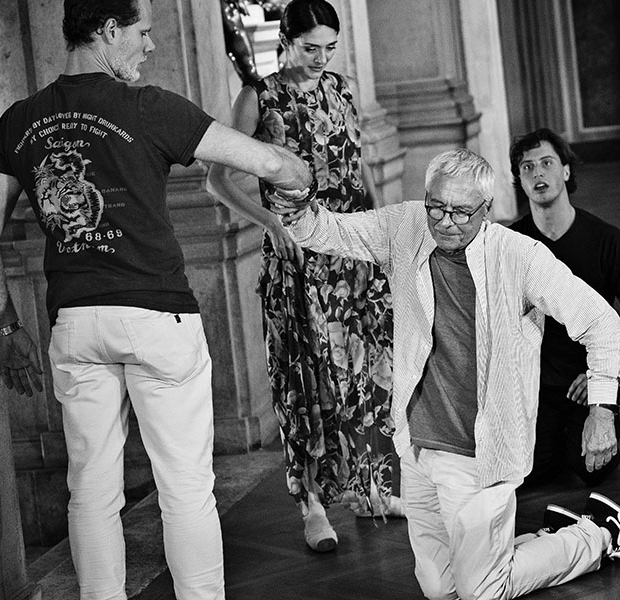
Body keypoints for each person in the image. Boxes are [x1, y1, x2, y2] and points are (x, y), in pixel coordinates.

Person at [0, 1, 313, 598]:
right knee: (185, 488)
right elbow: (269, 163)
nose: (150, 46)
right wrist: (298, 172)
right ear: (109, 31)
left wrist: (5, 327)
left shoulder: (20, 119)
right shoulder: (151, 107)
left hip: (76, 324)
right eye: (143, 32)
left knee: (90, 492)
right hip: (157, 317)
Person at [268, 148, 620, 600]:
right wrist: (293, 198)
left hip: (479, 453)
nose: (445, 222)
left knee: (482, 591)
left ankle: (599, 535)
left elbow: (603, 324)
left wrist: (602, 411)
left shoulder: (520, 256)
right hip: (417, 445)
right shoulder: (406, 226)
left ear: (486, 209)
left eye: (461, 212)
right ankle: (544, 543)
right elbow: (327, 231)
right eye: (436, 207)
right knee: (439, 590)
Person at [205, 0, 399, 554]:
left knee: (366, 371)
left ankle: (369, 487)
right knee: (305, 377)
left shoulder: (340, 89)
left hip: (353, 252)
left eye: (329, 48)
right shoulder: (258, 98)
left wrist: (381, 233)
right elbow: (217, 180)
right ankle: (312, 503)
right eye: (310, 48)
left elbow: (357, 169)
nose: (321, 58)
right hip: (298, 259)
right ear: (285, 41)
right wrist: (272, 223)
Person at [508, 128, 620, 487]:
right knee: (527, 473)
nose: (538, 173)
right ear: (520, 181)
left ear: (566, 170)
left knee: (593, 469)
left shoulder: (606, 239)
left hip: (587, 381)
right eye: (527, 167)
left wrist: (603, 374)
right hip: (535, 385)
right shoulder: (511, 243)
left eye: (547, 163)